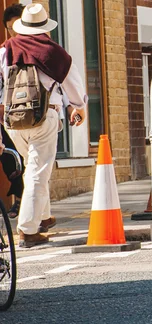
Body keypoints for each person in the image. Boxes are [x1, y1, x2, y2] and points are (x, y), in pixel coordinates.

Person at [0, 3, 88, 248]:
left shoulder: (6, 50)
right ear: (45, 28)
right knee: (38, 171)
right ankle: (28, 230)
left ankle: (45, 217)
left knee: (34, 167)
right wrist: (78, 107)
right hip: (44, 117)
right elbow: (75, 86)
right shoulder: (54, 52)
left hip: (14, 121)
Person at [0, 3, 25, 219]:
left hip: (37, 114)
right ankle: (21, 203)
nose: (14, 32)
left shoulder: (43, 50)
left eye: (17, 25)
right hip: (10, 115)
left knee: (27, 163)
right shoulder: (3, 52)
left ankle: (26, 208)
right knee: (16, 159)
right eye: (9, 28)